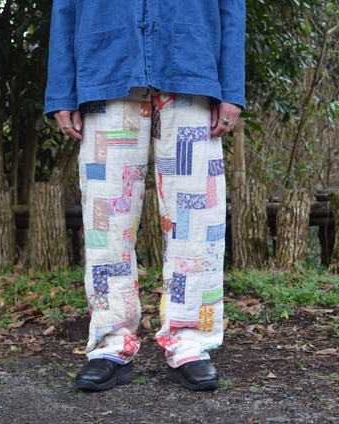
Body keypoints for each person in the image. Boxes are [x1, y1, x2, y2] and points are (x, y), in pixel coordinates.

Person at [44, 0, 245, 392]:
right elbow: (65, 7)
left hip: (191, 67)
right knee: (106, 224)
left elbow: (231, 7)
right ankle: (111, 343)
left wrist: (232, 87)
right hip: (106, 69)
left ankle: (189, 342)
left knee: (195, 221)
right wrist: (61, 90)